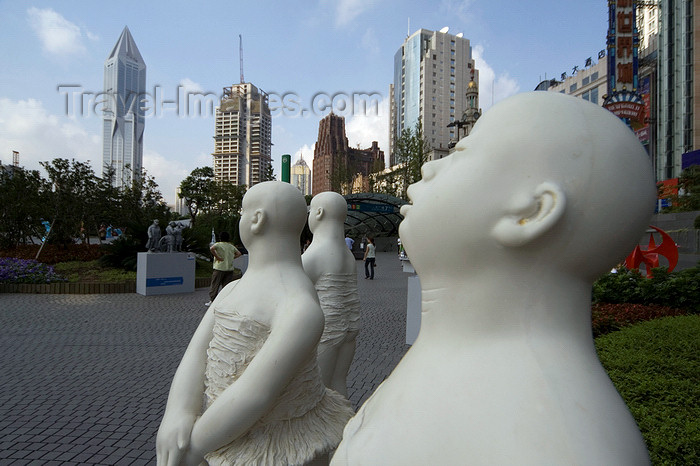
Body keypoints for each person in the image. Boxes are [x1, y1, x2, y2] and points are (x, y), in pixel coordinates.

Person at [332, 92, 654, 465]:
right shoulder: (484, 375)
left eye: (462, 152)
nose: (429, 168)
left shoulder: (555, 443)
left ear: (530, 212)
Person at [156, 182, 353, 466]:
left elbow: (256, 394)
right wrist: (178, 411)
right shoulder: (232, 290)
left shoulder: (298, 306)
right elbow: (196, 355)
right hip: (219, 432)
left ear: (257, 219)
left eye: (242, 211)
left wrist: (194, 446)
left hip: (278, 449)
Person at [302, 191, 361, 397]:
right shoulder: (348, 255)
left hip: (325, 332)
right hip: (350, 327)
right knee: (338, 382)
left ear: (318, 213)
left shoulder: (314, 254)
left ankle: (325, 428)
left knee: (318, 389)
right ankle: (343, 422)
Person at [206, 231, 241, 306]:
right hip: (229, 269)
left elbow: (211, 248)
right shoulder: (231, 246)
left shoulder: (218, 244)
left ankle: (212, 301)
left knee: (215, 285)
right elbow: (239, 253)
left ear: (220, 238)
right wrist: (232, 258)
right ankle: (225, 301)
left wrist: (217, 257)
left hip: (219, 268)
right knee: (226, 286)